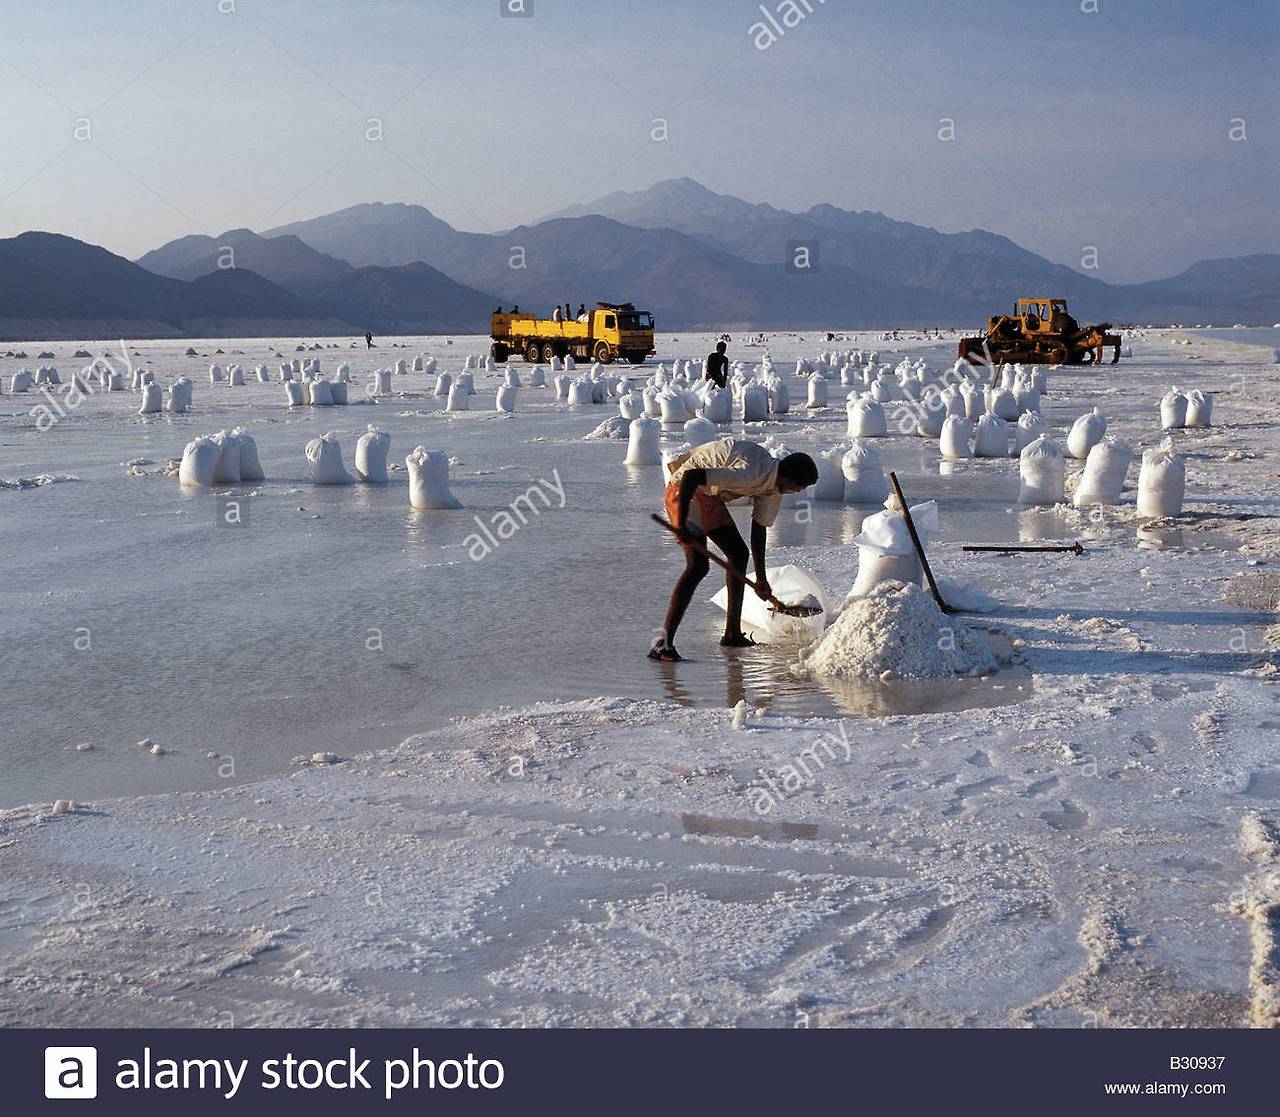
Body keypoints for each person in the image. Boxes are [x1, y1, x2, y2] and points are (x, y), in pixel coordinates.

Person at [651, 438, 818, 661]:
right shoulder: (753, 471)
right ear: (789, 478)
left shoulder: (773, 489)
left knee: (739, 554)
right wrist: (680, 524)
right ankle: (663, 644)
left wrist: (761, 579)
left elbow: (759, 529)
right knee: (698, 566)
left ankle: (732, 634)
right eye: (800, 487)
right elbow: (692, 476)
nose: (798, 492)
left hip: (708, 496)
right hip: (684, 490)